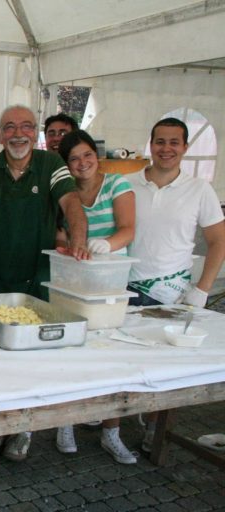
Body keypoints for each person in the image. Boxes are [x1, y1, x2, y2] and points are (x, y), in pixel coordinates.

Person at [0, 105, 89, 462]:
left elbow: (71, 202)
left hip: (36, 279)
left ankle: (23, 428)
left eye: (26, 126)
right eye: (9, 127)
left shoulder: (50, 165)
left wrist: (78, 238)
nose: (18, 134)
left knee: (32, 360)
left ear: (36, 133)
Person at [124, 118, 225, 452]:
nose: (166, 149)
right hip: (124, 289)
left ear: (185, 147)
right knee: (119, 361)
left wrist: (202, 290)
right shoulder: (126, 184)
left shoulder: (200, 190)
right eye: (160, 142)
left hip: (171, 297)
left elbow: (218, 242)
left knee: (166, 369)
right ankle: (112, 427)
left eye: (174, 143)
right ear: (150, 144)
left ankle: (156, 430)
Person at [54, 129, 137, 464]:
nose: (82, 163)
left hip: (111, 284)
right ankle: (65, 424)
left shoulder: (117, 184)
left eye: (87, 155)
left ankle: (111, 432)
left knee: (113, 359)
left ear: (96, 156)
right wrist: (66, 241)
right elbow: (59, 232)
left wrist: (108, 245)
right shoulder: (65, 192)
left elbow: (129, 227)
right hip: (75, 283)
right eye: (74, 159)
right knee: (72, 356)